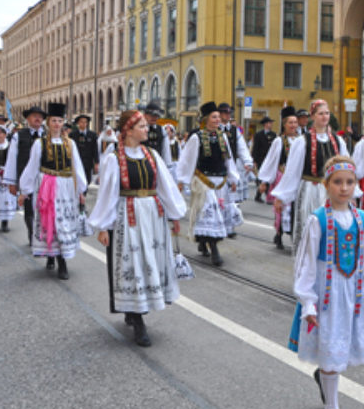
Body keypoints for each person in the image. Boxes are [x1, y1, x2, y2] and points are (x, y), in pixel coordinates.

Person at [289, 156, 364, 409]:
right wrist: (308, 301)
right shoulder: (317, 220)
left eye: (349, 182)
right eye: (337, 182)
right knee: (331, 347)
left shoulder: (362, 219)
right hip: (327, 294)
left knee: (339, 348)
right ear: (326, 185)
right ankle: (332, 408)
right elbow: (307, 264)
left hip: (353, 294)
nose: (344, 188)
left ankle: (325, 381)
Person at [89, 109, 187, 347]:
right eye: (142, 126)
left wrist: (174, 215)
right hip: (128, 215)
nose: (147, 129)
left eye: (146, 126)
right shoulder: (114, 158)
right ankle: (137, 318)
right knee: (132, 263)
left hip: (153, 214)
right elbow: (108, 194)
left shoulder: (152, 154)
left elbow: (165, 186)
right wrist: (103, 226)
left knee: (149, 261)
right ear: (129, 130)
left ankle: (138, 310)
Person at [18, 102, 87, 280]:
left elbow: (76, 166)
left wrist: (81, 190)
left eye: (60, 120)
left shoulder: (70, 143)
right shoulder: (39, 144)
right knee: (50, 221)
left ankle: (61, 259)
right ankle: (53, 256)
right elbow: (32, 167)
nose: (57, 124)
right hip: (47, 186)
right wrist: (24, 191)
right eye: (54, 120)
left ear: (63, 122)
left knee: (63, 223)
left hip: (65, 188)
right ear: (48, 123)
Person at [274, 100, 349, 256]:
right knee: (311, 230)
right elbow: (292, 172)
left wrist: (350, 193)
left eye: (327, 113)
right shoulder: (302, 142)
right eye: (320, 113)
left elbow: (346, 168)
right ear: (313, 117)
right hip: (310, 189)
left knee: (331, 230)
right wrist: (282, 196)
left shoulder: (337, 141)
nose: (324, 116)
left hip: (331, 192)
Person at [175, 102, 240, 266]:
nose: (218, 120)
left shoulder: (222, 136)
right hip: (203, 182)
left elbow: (228, 158)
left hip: (220, 182)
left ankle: (203, 241)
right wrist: (182, 180)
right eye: (214, 117)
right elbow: (187, 160)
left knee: (214, 217)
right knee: (211, 216)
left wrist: (233, 178)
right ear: (206, 119)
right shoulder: (196, 137)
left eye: (219, 117)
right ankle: (214, 250)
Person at [257, 106, 300, 250]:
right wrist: (264, 181)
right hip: (283, 176)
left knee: (297, 207)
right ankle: (279, 233)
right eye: (290, 123)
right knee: (282, 207)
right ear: (284, 125)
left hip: (299, 178)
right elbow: (271, 161)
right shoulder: (279, 141)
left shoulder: (302, 140)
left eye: (295, 122)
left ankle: (295, 233)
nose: (293, 125)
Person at [4, 106, 46, 246]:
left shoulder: (47, 135)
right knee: (29, 208)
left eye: (40, 116)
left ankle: (43, 234)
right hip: (25, 178)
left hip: (45, 179)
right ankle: (31, 232)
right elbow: (12, 158)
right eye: (34, 116)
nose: (37, 118)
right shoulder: (19, 136)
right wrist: (12, 182)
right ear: (28, 119)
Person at [218, 102, 254, 214]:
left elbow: (242, 147)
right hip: (216, 166)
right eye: (225, 112)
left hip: (231, 165)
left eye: (229, 112)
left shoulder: (234, 130)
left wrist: (247, 161)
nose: (228, 114)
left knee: (230, 196)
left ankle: (229, 225)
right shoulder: (214, 129)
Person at [69, 114, 99, 191]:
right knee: (76, 180)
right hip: (76, 162)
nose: (83, 124)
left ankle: (84, 195)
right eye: (81, 122)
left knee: (87, 181)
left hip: (88, 162)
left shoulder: (92, 135)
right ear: (78, 123)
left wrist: (96, 162)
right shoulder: (73, 135)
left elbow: (95, 149)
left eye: (85, 122)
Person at [251, 116, 276, 202]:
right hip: (260, 159)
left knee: (269, 177)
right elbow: (255, 148)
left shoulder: (273, 135)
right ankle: (260, 195)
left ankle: (264, 195)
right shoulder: (258, 135)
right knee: (262, 178)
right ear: (265, 124)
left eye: (271, 123)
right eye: (269, 123)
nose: (270, 125)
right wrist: (254, 160)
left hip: (270, 159)